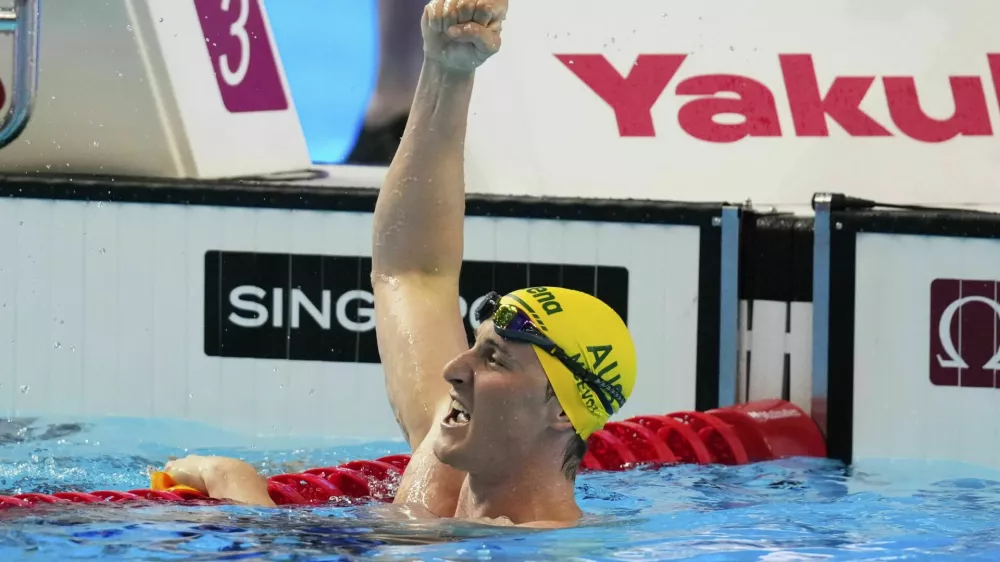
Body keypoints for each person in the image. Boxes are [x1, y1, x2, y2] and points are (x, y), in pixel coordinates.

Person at [162, 0, 638, 528]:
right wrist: (447, 70)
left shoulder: (534, 546)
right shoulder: (450, 463)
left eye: (496, 360)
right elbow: (414, 272)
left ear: (562, 412)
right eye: (477, 348)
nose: (455, 369)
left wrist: (244, 504)